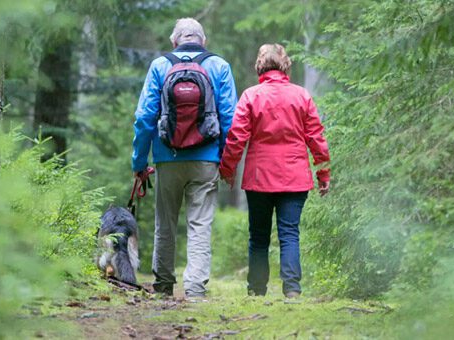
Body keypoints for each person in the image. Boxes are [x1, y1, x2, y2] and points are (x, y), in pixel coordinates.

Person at [132, 18, 237, 298]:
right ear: (204, 41)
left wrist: (139, 162)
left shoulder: (160, 66)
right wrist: (227, 164)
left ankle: (164, 284)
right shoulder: (219, 66)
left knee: (165, 223)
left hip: (168, 157)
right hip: (206, 159)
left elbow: (144, 118)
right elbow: (230, 121)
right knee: (200, 224)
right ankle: (194, 289)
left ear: (174, 41)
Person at [219, 44, 330, 298]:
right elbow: (316, 138)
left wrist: (228, 169)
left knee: (258, 235)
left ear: (260, 64)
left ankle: (256, 290)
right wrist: (323, 173)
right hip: (295, 176)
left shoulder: (251, 95)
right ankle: (292, 289)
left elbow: (236, 138)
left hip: (259, 177)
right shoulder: (301, 96)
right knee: (290, 233)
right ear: (285, 64)